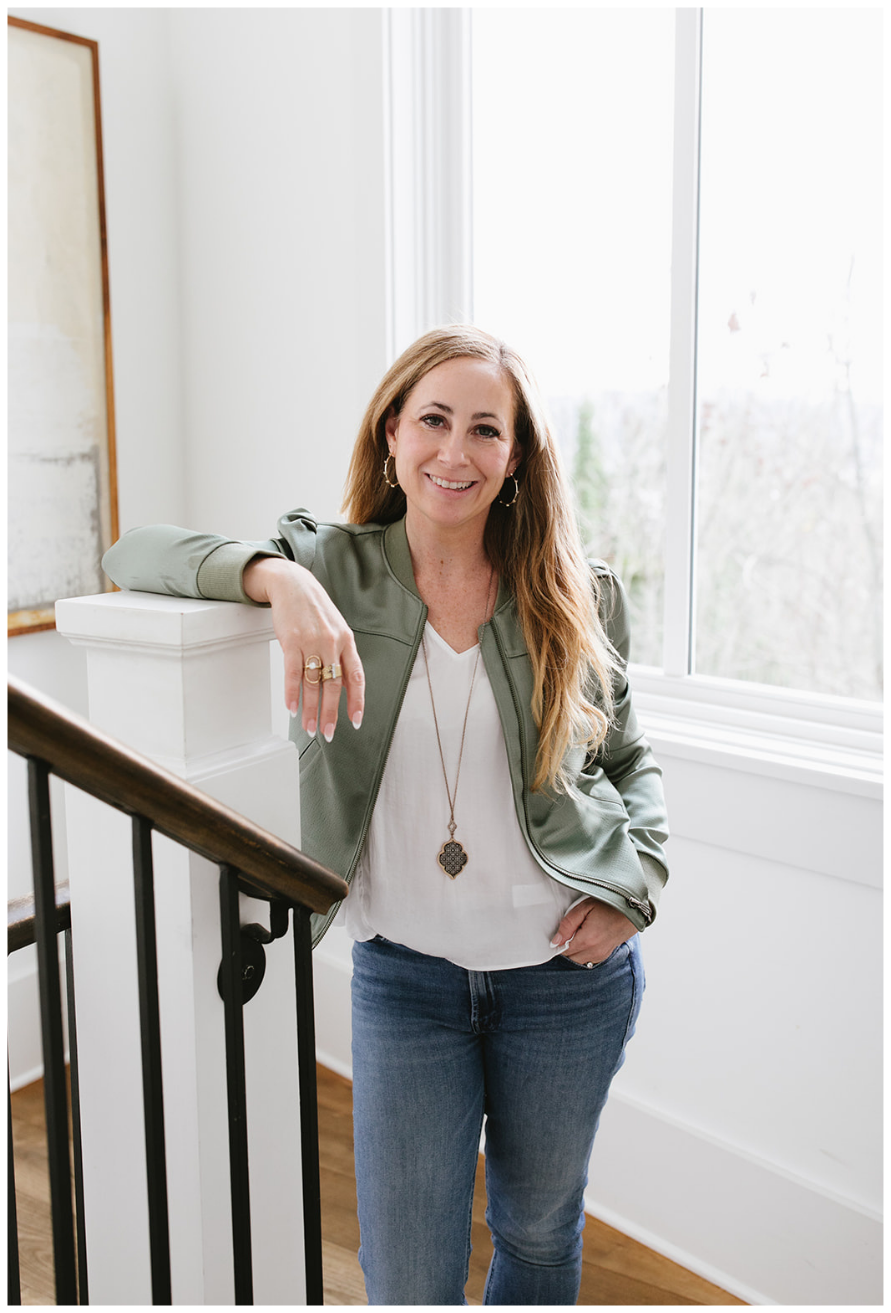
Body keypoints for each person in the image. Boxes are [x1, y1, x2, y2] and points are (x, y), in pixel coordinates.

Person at [103, 324, 669, 1305]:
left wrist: (637, 887)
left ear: (516, 457)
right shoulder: (332, 566)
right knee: (408, 1270)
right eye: (435, 420)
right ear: (392, 436)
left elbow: (627, 762)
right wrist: (274, 577)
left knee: (537, 1229)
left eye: (486, 429)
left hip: (567, 981)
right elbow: (132, 553)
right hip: (408, 979)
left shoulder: (580, 593)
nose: (457, 450)